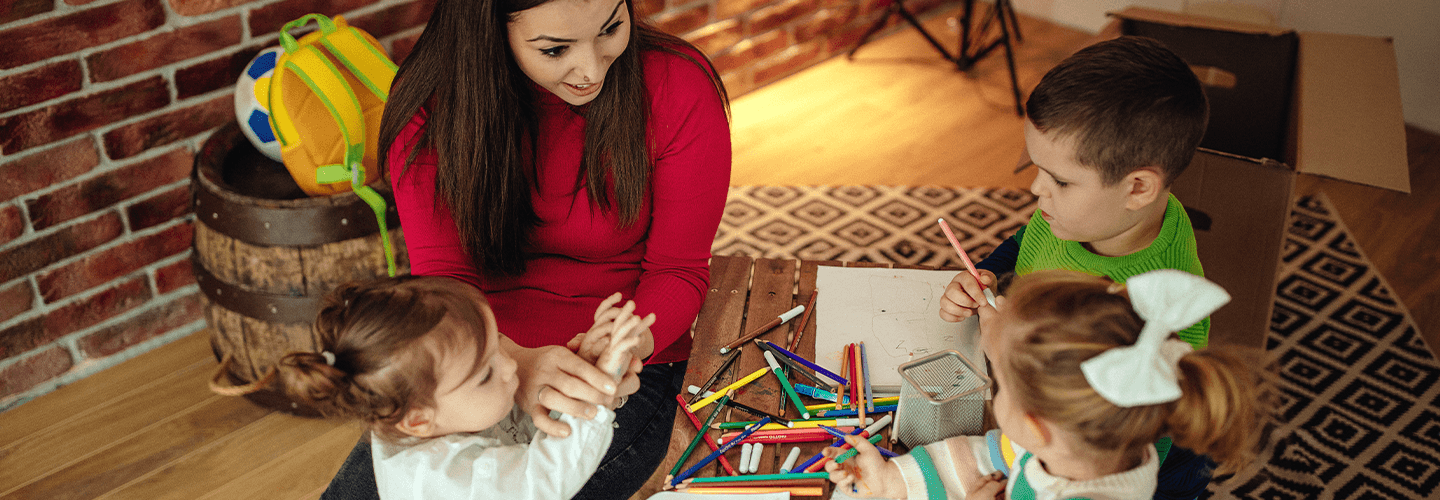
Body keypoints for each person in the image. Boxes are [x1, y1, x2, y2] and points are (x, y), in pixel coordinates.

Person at [323, 0, 731, 497]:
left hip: (624, 365)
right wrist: (512, 364)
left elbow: (678, 270)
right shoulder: (428, 101)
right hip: (468, 360)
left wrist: (623, 345)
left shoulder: (678, 87)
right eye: (555, 49)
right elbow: (444, 278)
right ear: (489, 28)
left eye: (611, 29)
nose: (591, 68)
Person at [827, 270, 1266, 499]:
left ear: (1036, 426)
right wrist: (892, 480)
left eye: (997, 384)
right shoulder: (1077, 444)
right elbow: (987, 456)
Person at [941, 36, 1211, 350]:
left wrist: (1007, 348)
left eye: (1061, 181)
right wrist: (986, 273)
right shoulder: (1079, 217)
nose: (1036, 188)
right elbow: (1029, 242)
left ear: (1138, 188)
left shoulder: (1164, 310)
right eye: (1037, 167)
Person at [279, 276, 654, 498]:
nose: (511, 365)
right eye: (486, 373)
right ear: (417, 420)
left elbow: (512, 429)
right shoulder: (447, 481)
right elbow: (543, 478)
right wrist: (596, 402)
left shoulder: (423, 410)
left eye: (498, 346)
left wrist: (581, 377)